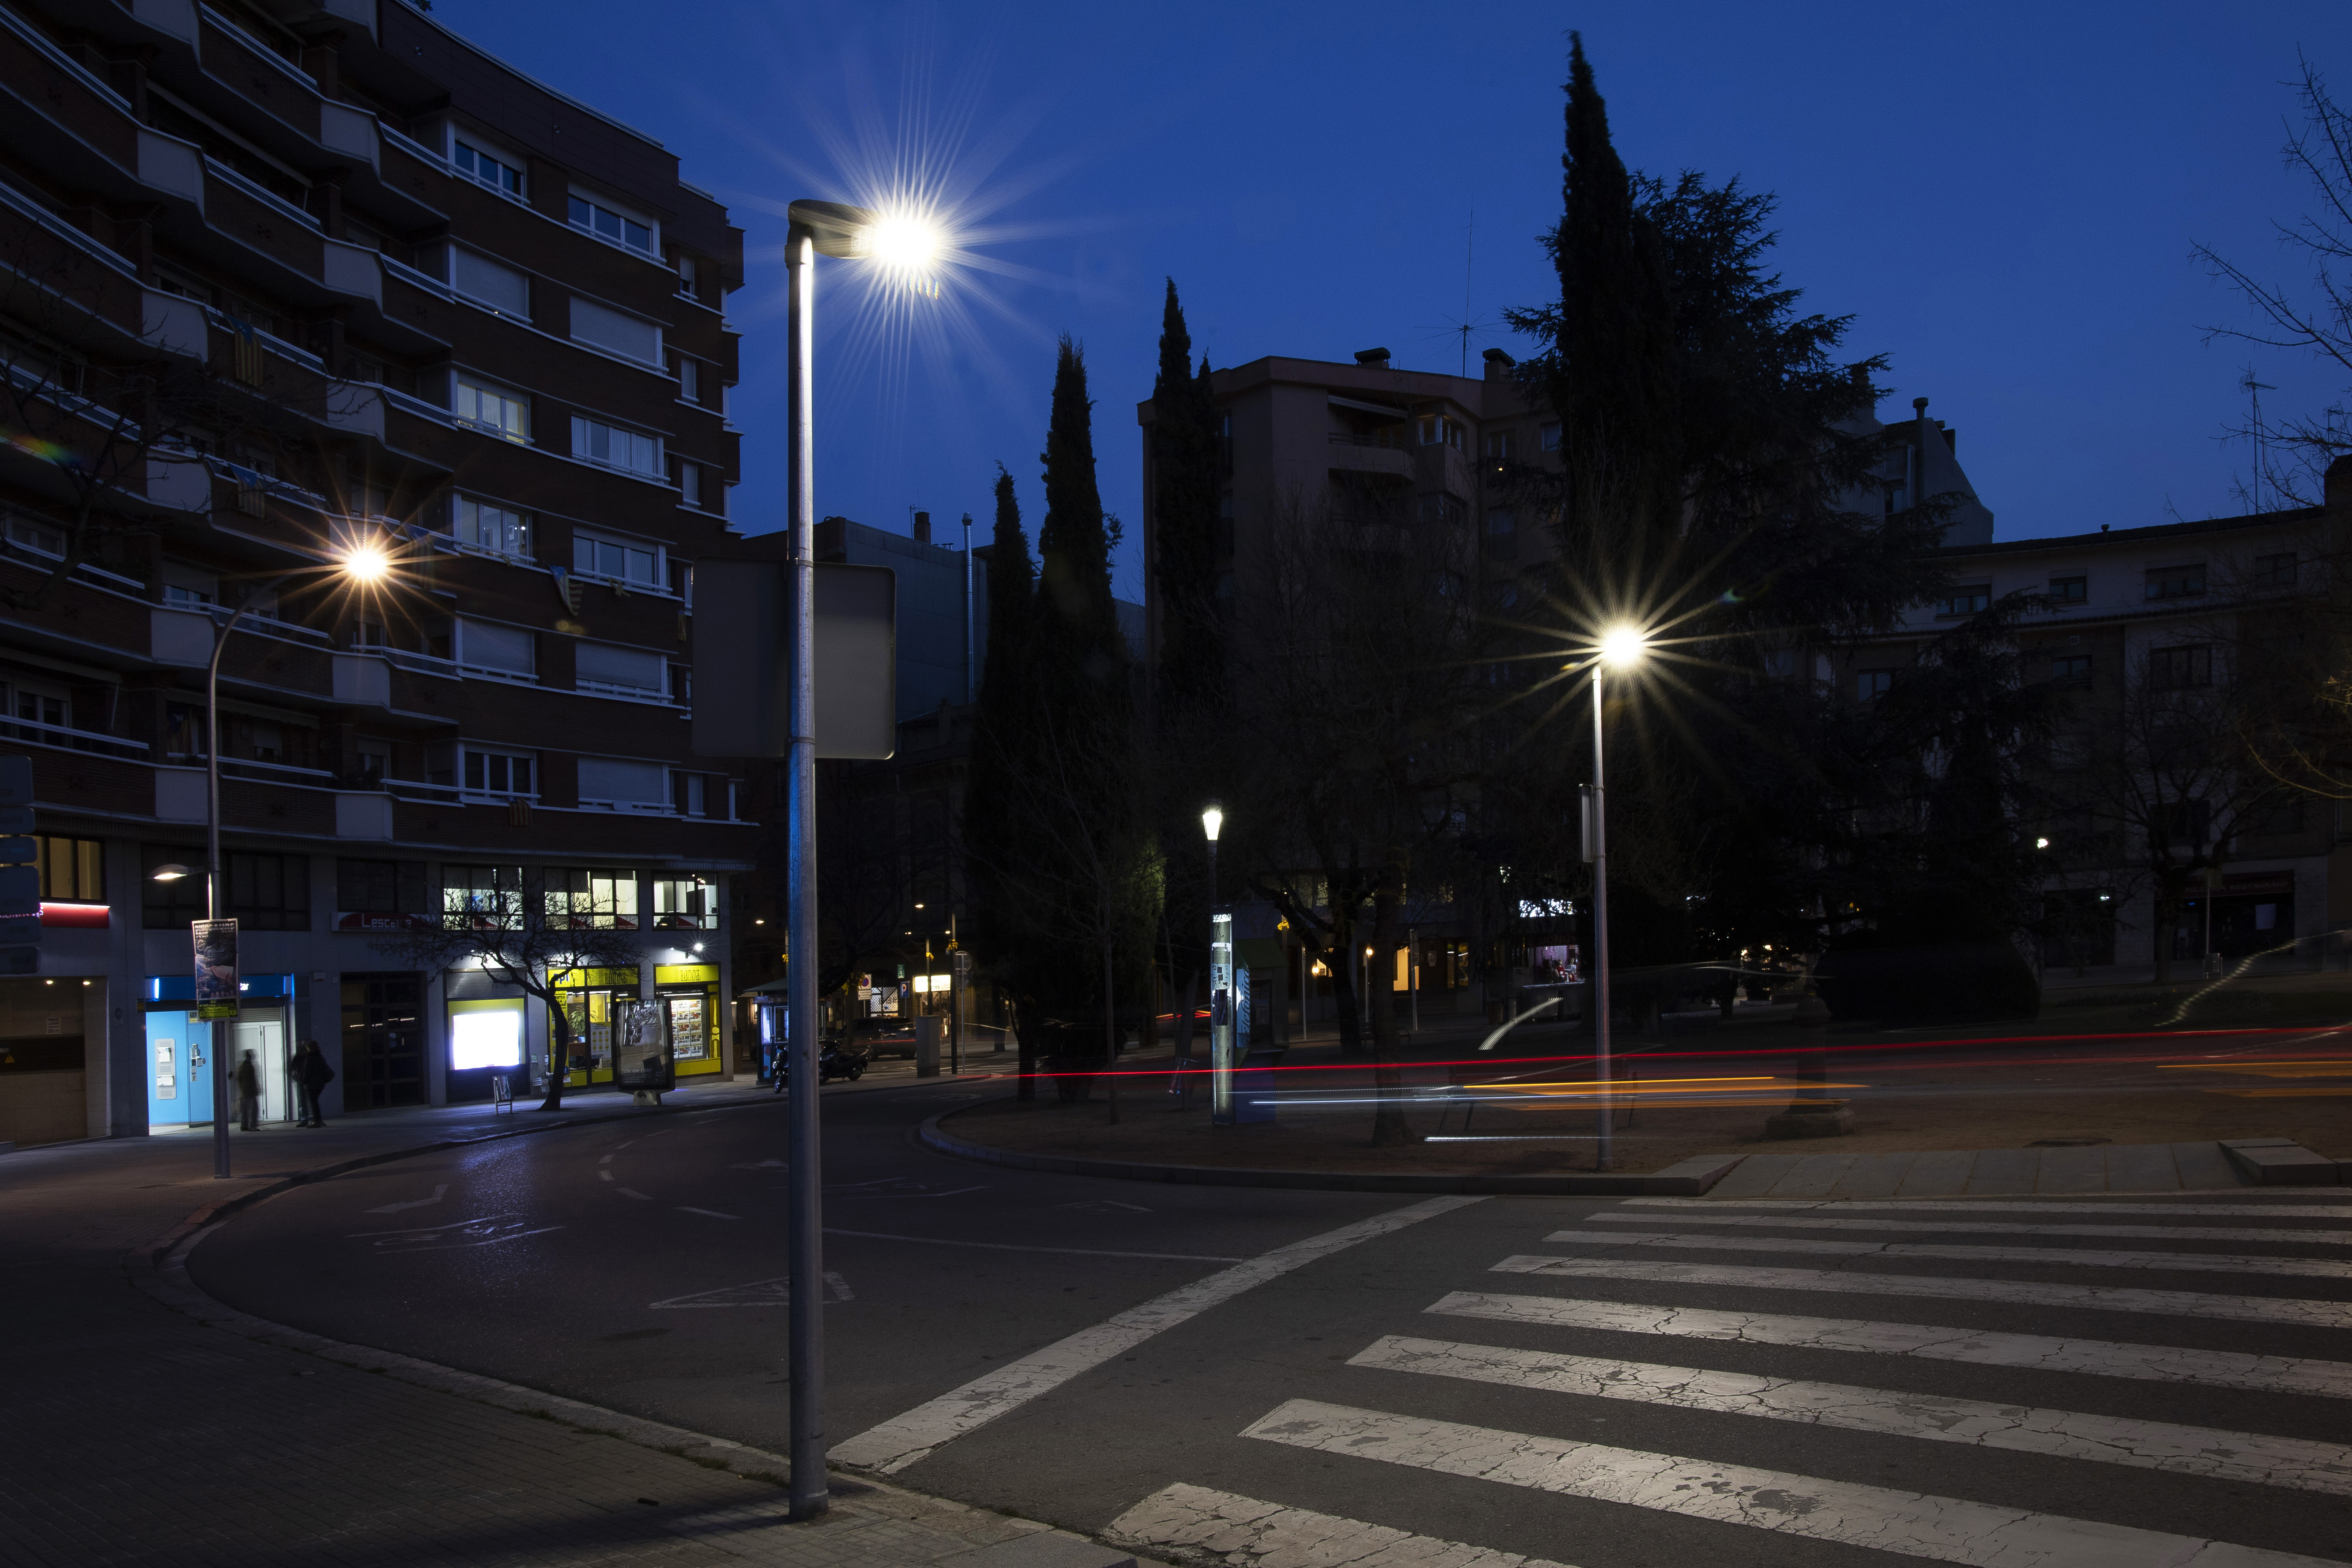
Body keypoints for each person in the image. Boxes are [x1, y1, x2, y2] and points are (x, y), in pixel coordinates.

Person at [293, 1039, 334, 1127]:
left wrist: (303, 1081)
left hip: (311, 1084)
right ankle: (318, 1120)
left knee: (313, 1102)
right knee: (314, 1102)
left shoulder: (310, 1058)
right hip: (319, 1084)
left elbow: (307, 1072)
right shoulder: (320, 1057)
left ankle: (316, 1121)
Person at [234, 1048, 261, 1131]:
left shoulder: (242, 1066)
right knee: (254, 1109)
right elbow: (252, 1079)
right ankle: (252, 1126)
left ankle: (244, 1126)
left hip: (245, 1091)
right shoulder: (249, 1066)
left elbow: (239, 1079)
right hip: (250, 1090)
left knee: (245, 1109)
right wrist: (256, 1088)